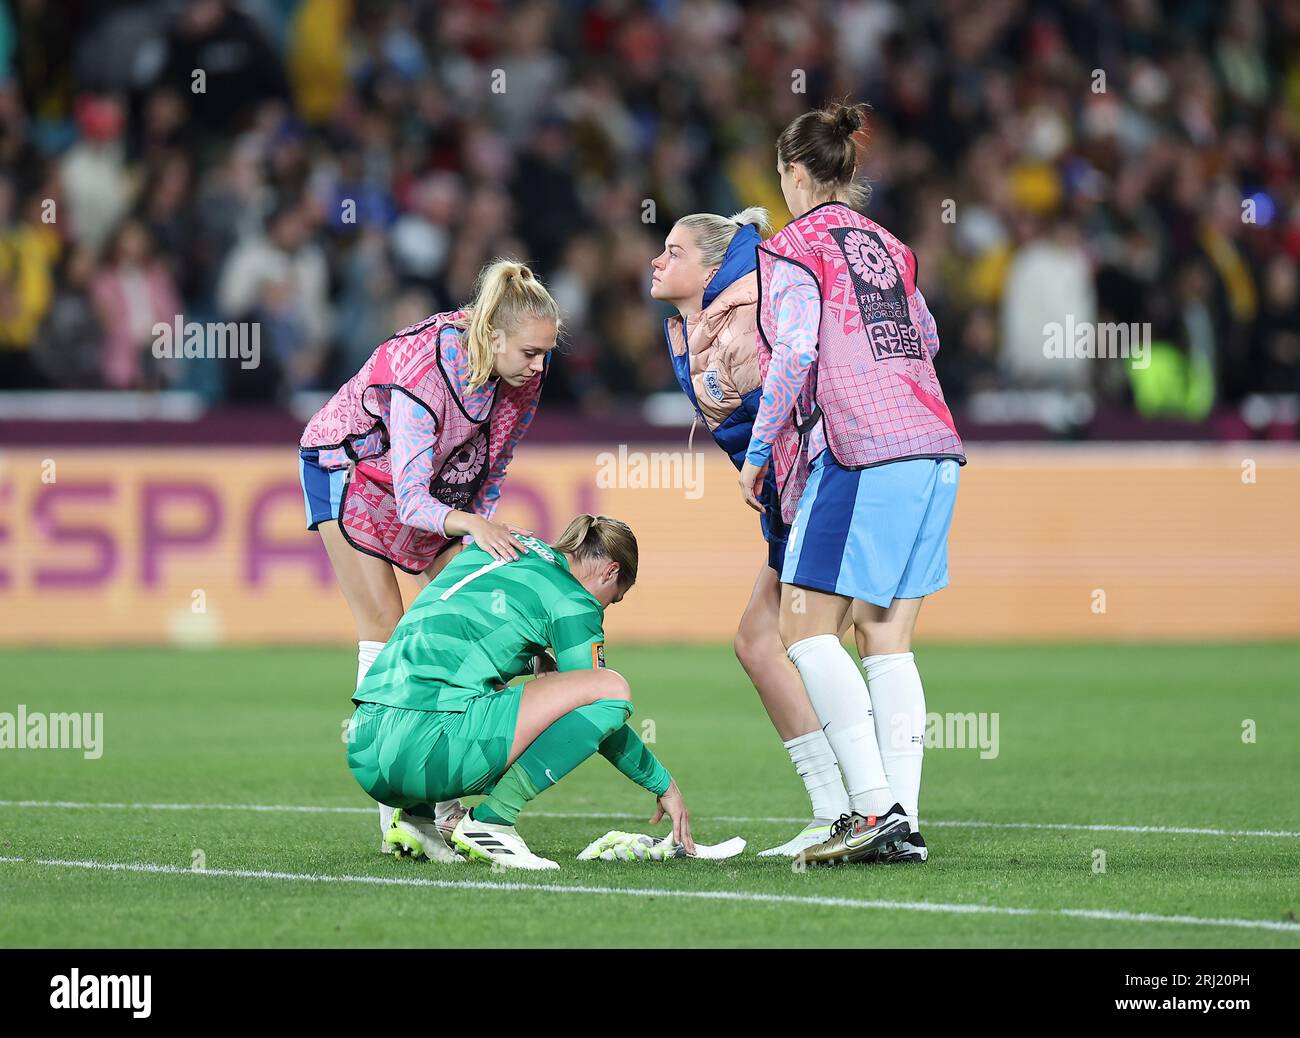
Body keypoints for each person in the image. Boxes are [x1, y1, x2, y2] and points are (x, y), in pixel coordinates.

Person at [739, 102, 966, 865]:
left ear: (794, 175)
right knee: (887, 637)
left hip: (864, 446)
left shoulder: (792, 247)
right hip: (936, 445)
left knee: (803, 629)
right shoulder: (893, 246)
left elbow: (797, 351)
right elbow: (926, 337)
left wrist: (759, 449)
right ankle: (900, 817)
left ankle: (869, 811)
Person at [300, 258, 559, 851]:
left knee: (459, 626)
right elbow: (413, 498)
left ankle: (443, 806)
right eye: (529, 353)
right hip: (349, 468)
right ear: (491, 335)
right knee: (387, 628)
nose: (540, 365)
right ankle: (399, 808)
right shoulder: (423, 372)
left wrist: (478, 537)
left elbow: (490, 471)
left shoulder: (519, 374)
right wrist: (472, 526)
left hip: (432, 486)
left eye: (546, 353)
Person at [650, 206, 854, 858]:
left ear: (712, 266)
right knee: (765, 643)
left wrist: (771, 473)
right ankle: (846, 808)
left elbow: (796, 394)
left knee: (791, 639)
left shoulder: (744, 316)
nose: (658, 261)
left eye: (674, 251)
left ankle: (863, 808)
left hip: (816, 486)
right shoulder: (696, 324)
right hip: (788, 502)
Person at [346, 514, 693, 870]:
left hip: (366, 750)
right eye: (613, 599)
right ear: (610, 571)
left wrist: (531, 661)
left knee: (467, 689)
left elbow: (462, 635)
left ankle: (416, 819)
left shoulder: (499, 543)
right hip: (428, 753)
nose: (604, 609)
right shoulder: (574, 599)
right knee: (610, 688)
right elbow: (600, 708)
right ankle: (491, 821)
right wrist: (663, 784)